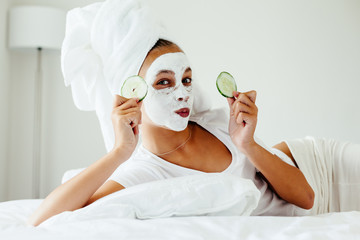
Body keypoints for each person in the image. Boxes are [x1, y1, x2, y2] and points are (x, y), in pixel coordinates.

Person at [28, 0, 359, 227]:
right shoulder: (144, 172)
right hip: (313, 213)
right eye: (164, 82)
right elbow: (42, 219)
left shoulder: (216, 122)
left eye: (186, 79)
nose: (182, 92)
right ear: (134, 96)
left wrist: (248, 144)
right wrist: (119, 152)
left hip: (316, 161)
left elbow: (305, 195)